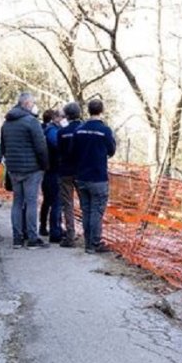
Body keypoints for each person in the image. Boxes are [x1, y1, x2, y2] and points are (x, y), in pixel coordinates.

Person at [1, 92, 49, 249]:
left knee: (17, 202)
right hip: (31, 169)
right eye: (32, 103)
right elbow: (41, 147)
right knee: (31, 203)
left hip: (14, 169)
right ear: (27, 104)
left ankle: (17, 238)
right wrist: (44, 165)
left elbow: (3, 147)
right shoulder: (31, 122)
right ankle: (32, 238)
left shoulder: (6, 124)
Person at [71, 99, 116, 254]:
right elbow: (111, 150)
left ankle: (88, 242)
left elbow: (72, 151)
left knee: (86, 210)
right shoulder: (105, 131)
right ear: (101, 111)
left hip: (81, 176)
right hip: (98, 177)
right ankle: (94, 243)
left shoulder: (79, 130)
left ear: (88, 110)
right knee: (96, 210)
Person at [56, 102, 83, 248]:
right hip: (80, 171)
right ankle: (89, 235)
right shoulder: (82, 130)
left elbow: (59, 151)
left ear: (66, 115)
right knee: (85, 204)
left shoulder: (61, 132)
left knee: (67, 204)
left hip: (65, 170)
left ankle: (70, 235)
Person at [39, 109, 64, 243]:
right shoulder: (52, 131)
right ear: (56, 118)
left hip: (50, 171)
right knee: (56, 202)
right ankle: (55, 231)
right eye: (62, 117)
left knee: (48, 201)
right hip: (53, 171)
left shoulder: (49, 130)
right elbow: (58, 145)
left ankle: (45, 226)